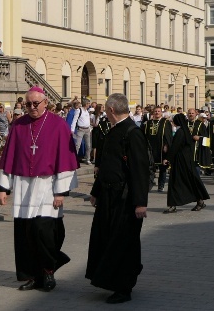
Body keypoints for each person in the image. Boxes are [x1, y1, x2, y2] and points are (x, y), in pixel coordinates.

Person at [0, 86, 79, 292]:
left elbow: (65, 159)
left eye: (36, 104)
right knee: (25, 235)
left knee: (45, 232)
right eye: (28, 104)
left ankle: (48, 271)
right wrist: (3, 188)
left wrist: (61, 191)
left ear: (45, 103)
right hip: (24, 186)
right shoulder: (18, 124)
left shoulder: (58, 125)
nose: (32, 107)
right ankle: (33, 276)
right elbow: (8, 158)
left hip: (47, 186)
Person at [86, 93, 149, 304]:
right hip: (107, 196)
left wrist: (140, 202)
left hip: (124, 198)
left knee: (123, 242)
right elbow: (105, 165)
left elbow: (140, 170)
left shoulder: (132, 133)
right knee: (106, 238)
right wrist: (96, 191)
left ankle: (124, 287)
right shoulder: (113, 130)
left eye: (105, 109)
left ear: (112, 110)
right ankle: (109, 280)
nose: (105, 112)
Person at [164, 113, 210, 213]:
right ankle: (199, 201)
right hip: (187, 160)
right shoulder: (185, 131)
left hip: (180, 161)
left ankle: (173, 205)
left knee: (176, 182)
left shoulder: (180, 132)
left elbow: (175, 147)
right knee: (189, 181)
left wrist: (167, 158)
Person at [141, 106, 172, 192]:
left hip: (161, 148)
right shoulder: (148, 123)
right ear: (152, 113)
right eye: (155, 111)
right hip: (151, 148)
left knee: (162, 168)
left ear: (161, 113)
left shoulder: (166, 122)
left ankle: (161, 186)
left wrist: (166, 145)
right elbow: (143, 135)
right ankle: (149, 183)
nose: (157, 113)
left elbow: (168, 135)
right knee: (150, 167)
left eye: (158, 111)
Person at [70, 98, 92, 164]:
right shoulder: (79, 110)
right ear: (86, 104)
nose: (89, 105)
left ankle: (87, 158)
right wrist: (72, 129)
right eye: (88, 103)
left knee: (88, 145)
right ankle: (74, 159)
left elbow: (88, 120)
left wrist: (90, 128)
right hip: (81, 129)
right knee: (77, 145)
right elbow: (74, 120)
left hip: (87, 129)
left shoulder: (87, 111)